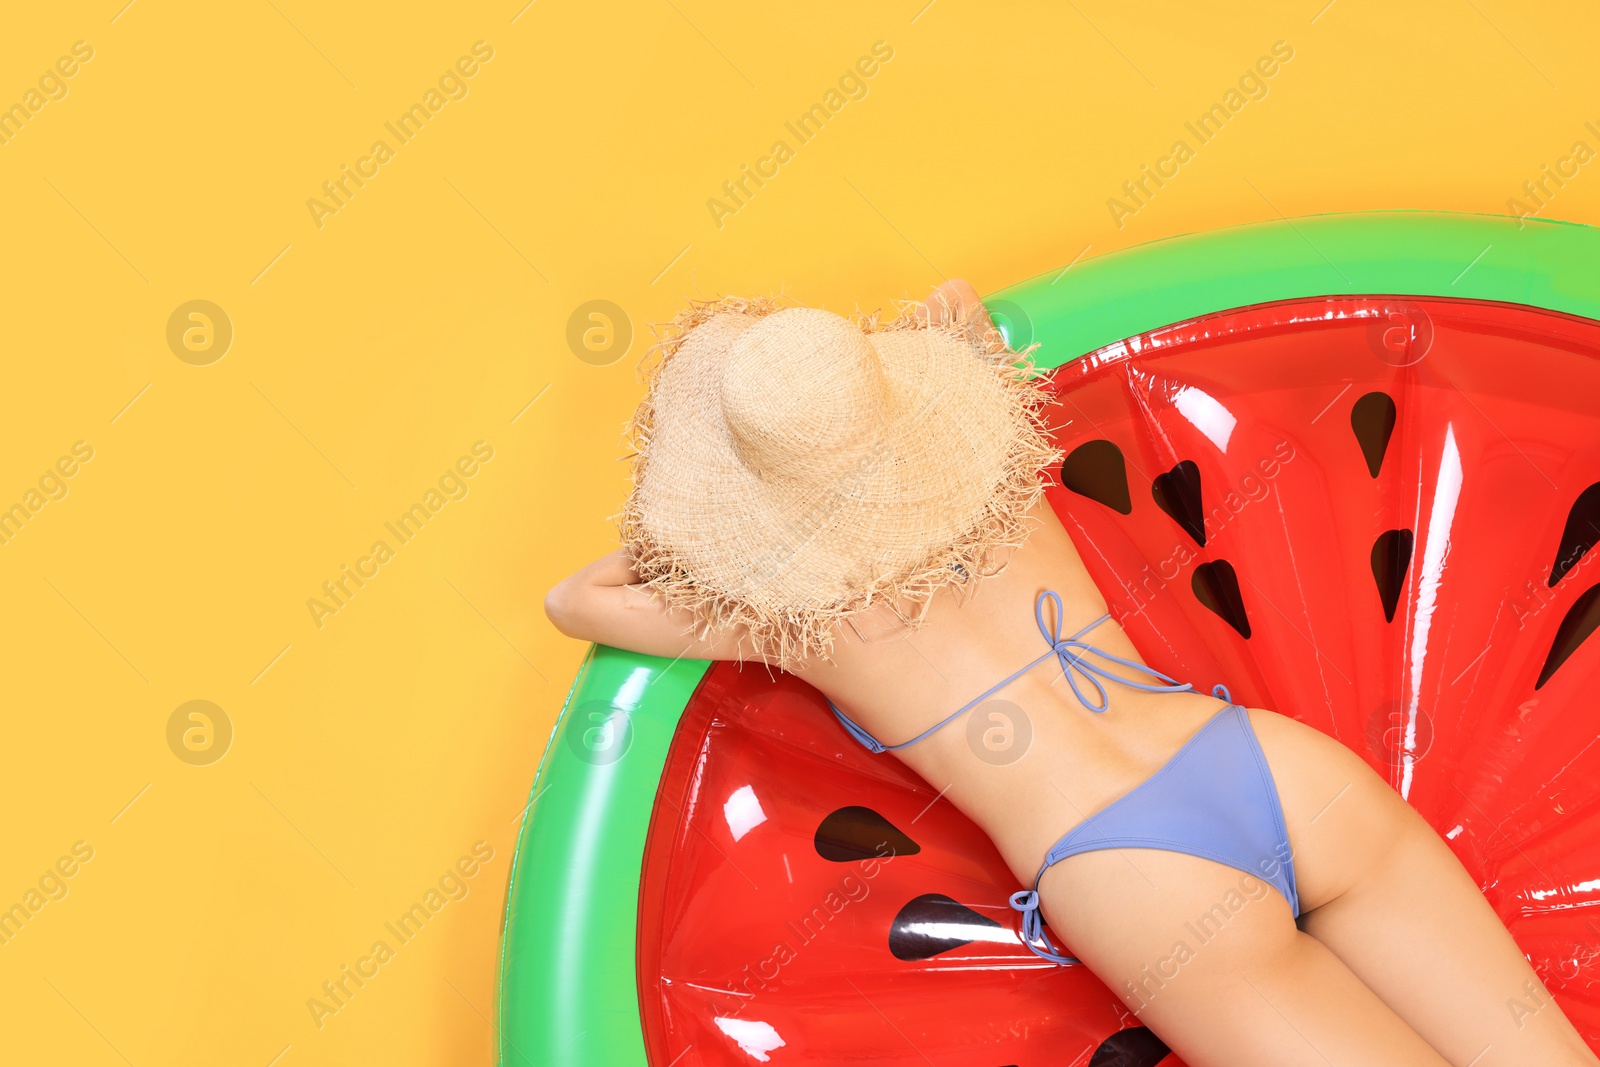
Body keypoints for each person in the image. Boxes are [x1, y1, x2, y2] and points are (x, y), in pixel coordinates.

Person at [544, 280, 1597, 1067]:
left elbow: (581, 599)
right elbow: (958, 305)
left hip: (1133, 872)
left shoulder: (792, 618)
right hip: (1269, 765)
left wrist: (733, 541)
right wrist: (912, 389)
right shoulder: (995, 468)